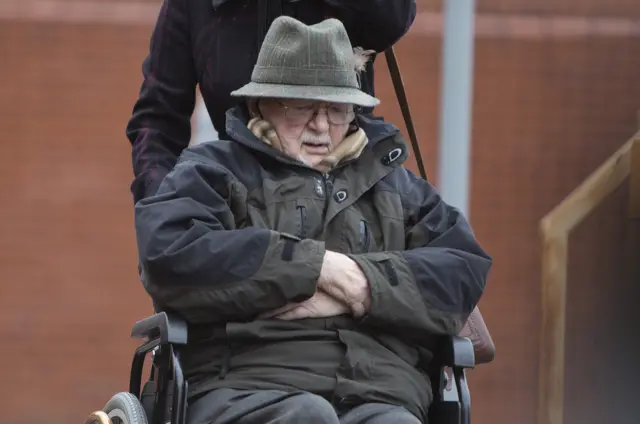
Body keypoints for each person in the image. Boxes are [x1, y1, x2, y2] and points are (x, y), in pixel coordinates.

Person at [134, 16, 492, 424]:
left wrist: (360, 282)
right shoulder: (213, 172)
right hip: (249, 384)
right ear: (261, 104)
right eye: (302, 106)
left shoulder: (395, 185)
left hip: (382, 390)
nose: (321, 125)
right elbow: (171, 254)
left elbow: (462, 269)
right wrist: (318, 266)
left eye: (337, 109)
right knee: (309, 417)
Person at [125, 0, 417, 204]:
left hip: (344, 202)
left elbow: (393, 17)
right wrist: (162, 207)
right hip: (238, 209)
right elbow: (157, 120)